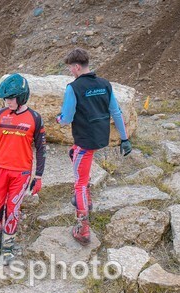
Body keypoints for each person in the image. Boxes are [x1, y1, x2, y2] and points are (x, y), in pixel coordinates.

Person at [56, 48, 132, 245]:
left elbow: (67, 118)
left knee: (79, 182)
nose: (70, 72)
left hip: (85, 140)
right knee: (73, 153)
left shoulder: (73, 88)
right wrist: (125, 139)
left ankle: (83, 228)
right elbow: (116, 112)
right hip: (100, 137)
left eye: (70, 68)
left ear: (76, 67)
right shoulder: (104, 84)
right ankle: (86, 199)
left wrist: (59, 119)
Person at [0, 73, 46, 263]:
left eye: (11, 98)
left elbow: (41, 149)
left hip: (22, 173)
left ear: (21, 97)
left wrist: (38, 176)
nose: (7, 101)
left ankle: (7, 250)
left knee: (12, 210)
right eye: (5, 98)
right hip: (0, 171)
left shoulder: (35, 118)